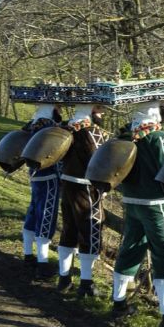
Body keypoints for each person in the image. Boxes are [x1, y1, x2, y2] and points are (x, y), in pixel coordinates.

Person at [110, 100, 164, 327]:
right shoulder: (159, 137)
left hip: (132, 201)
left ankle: (118, 302)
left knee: (130, 247)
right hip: (156, 204)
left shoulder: (126, 136)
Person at [56, 104, 107, 296]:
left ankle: (64, 278)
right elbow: (100, 160)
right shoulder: (92, 131)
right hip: (86, 186)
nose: (102, 114)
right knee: (90, 229)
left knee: (69, 229)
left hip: (67, 183)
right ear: (92, 110)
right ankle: (86, 283)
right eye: (100, 109)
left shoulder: (65, 128)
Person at [21, 103, 62, 280]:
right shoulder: (50, 129)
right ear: (53, 108)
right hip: (49, 177)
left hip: (35, 177)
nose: (60, 111)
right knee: (46, 215)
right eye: (58, 107)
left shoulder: (32, 125)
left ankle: (28, 254)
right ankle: (42, 263)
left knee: (33, 212)